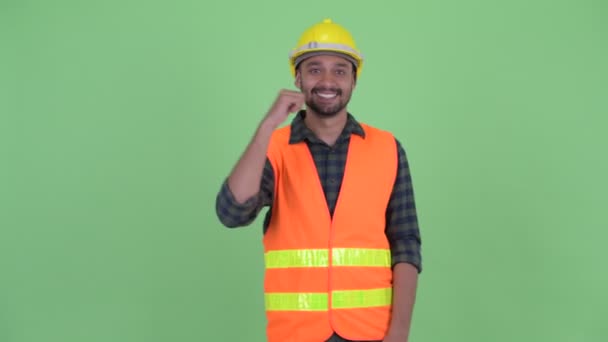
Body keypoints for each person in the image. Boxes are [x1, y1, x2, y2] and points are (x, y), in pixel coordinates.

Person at [215, 18, 422, 342]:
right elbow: (232, 213)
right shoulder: (274, 149)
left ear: (355, 80)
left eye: (340, 70)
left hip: (371, 333)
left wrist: (399, 333)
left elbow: (406, 244)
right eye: (314, 69)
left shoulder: (388, 149)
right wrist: (267, 125)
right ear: (297, 77)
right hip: (295, 334)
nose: (327, 80)